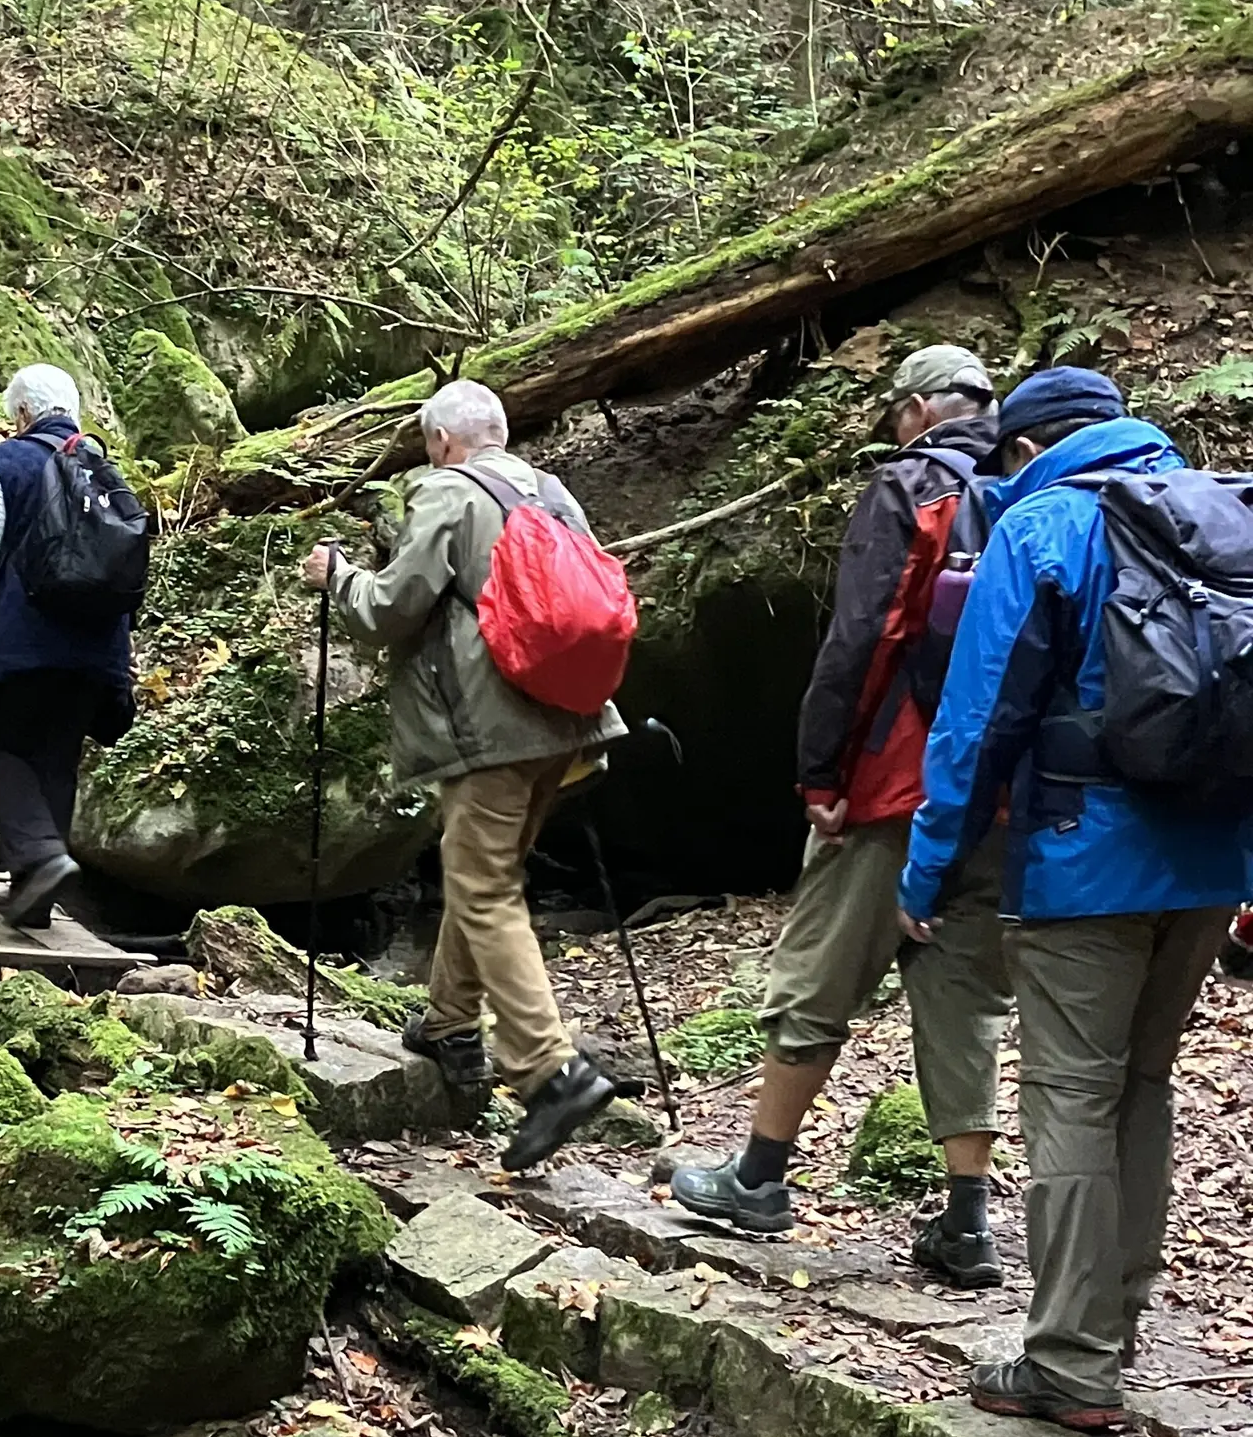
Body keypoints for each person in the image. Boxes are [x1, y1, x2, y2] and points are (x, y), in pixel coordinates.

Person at [901, 364, 1253, 1430]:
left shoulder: (1044, 523)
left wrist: (927, 869)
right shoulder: (1220, 516)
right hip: (1205, 859)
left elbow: (976, 720)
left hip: (1080, 860)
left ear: (1023, 445)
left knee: (1069, 1095)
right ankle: (1118, 1323)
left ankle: (1068, 1358)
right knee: (1144, 1086)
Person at [671, 346, 1015, 1283]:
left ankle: (759, 1178)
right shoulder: (1036, 482)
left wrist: (822, 771)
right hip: (1008, 792)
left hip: (900, 783)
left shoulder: (916, 486)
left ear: (913, 411)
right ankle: (968, 1224)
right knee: (964, 995)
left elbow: (864, 634)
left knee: (818, 974)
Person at [297, 380, 620, 1173]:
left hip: (490, 730)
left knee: (482, 888)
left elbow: (390, 609)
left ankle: (552, 1071)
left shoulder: (446, 491)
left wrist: (337, 575)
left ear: (441, 441)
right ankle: (448, 1024)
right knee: (485, 872)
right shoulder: (550, 491)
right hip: (567, 721)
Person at [0, 365, 134, 929]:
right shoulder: (105, 470)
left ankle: (40, 855)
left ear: (21, 414)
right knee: (56, 762)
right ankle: (33, 901)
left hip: (19, 642)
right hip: (93, 646)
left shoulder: (10, 461)